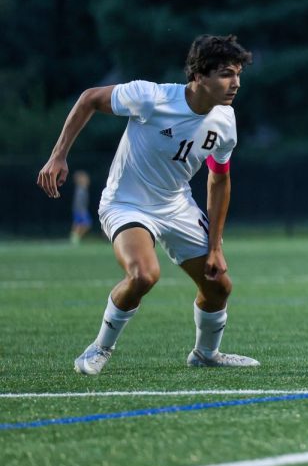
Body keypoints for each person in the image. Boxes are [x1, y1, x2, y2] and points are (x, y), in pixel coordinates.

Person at [36, 34, 260, 374]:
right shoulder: (151, 97)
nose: (236, 83)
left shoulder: (225, 121)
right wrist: (58, 157)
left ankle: (205, 355)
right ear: (200, 75)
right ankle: (98, 349)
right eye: (227, 73)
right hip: (126, 204)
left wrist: (215, 247)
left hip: (176, 205)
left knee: (219, 287)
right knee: (143, 275)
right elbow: (89, 99)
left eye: (239, 74)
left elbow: (219, 180)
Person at [69, 170, 92, 245]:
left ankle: (75, 238)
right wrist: (82, 211)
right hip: (80, 210)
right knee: (85, 224)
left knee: (79, 224)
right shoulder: (81, 189)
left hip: (81, 209)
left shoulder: (82, 188)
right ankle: (75, 238)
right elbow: (78, 202)